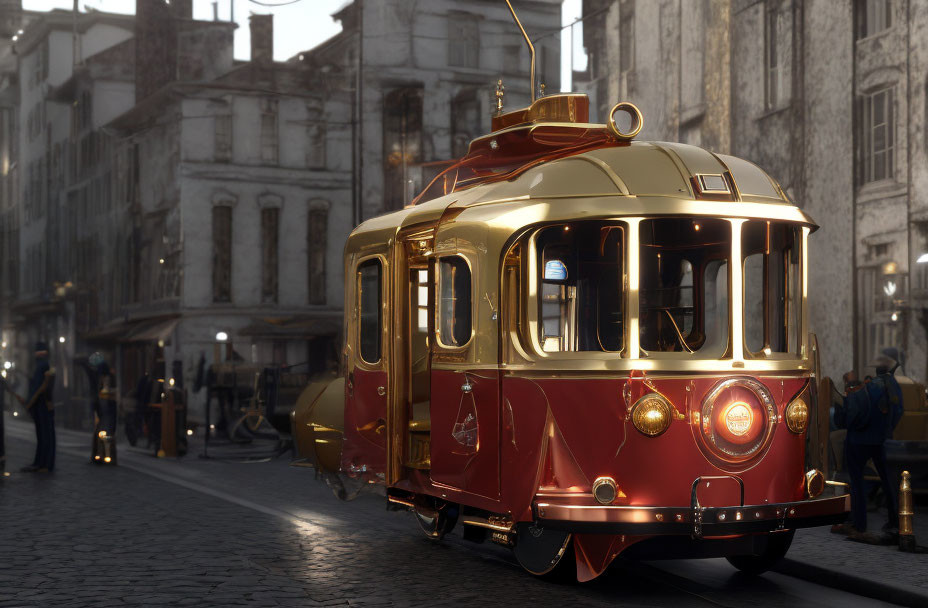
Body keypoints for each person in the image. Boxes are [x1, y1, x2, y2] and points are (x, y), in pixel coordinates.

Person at [833, 353, 904, 540]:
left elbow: (851, 413)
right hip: (880, 441)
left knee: (856, 482)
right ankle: (895, 521)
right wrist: (887, 431)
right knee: (888, 482)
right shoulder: (894, 386)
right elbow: (898, 411)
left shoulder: (870, 385)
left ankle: (859, 524)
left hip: (858, 441)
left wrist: (848, 385)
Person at [21, 342, 56, 473]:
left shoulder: (42, 365)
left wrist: (30, 402)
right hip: (42, 404)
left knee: (45, 434)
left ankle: (45, 464)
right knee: (43, 434)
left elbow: (40, 387)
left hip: (43, 404)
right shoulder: (43, 365)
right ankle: (41, 462)